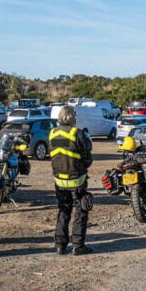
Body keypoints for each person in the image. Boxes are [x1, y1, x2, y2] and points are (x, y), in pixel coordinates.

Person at [49, 105, 93, 255]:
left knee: (63, 211)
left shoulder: (52, 133)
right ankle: (78, 245)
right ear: (72, 117)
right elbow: (87, 157)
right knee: (81, 211)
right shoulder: (77, 133)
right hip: (77, 180)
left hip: (59, 181)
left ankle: (60, 245)